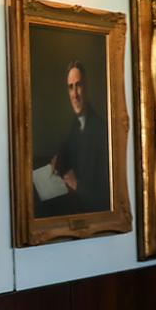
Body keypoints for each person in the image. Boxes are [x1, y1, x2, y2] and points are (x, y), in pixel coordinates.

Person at [45, 60, 109, 215]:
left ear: (87, 87)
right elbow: (67, 147)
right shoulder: (74, 125)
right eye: (70, 87)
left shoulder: (101, 130)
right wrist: (57, 159)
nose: (75, 94)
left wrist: (77, 185)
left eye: (78, 85)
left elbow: (106, 196)